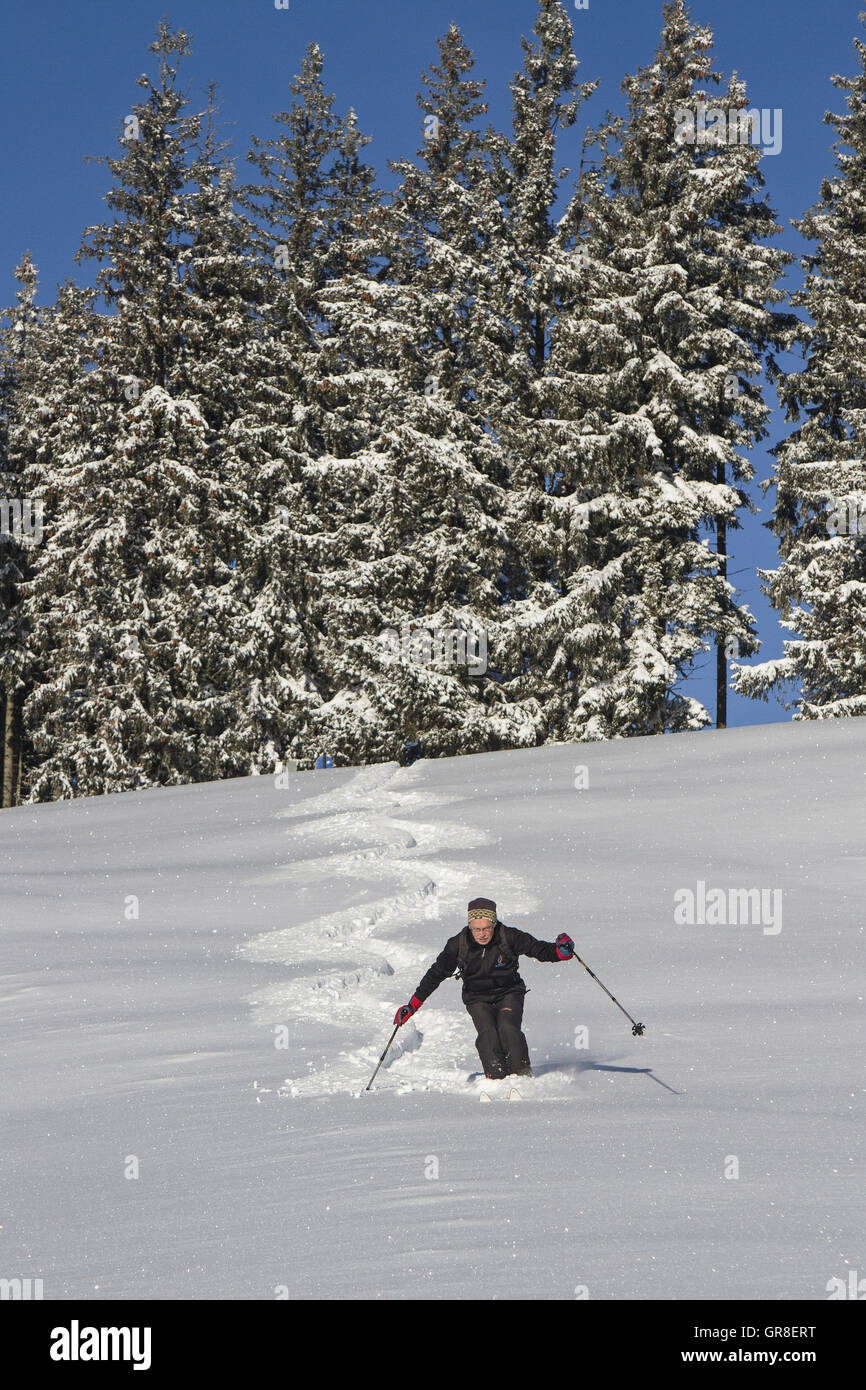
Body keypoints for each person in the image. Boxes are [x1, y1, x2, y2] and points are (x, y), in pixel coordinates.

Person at [393, 896, 575, 1080]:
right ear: (470, 926)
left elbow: (539, 949)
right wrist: (412, 1005)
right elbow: (435, 974)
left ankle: (521, 1076)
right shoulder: (458, 944)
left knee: (507, 1027)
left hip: (509, 992)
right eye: (477, 929)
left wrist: (561, 952)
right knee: (487, 1032)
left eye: (487, 928)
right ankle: (496, 1077)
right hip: (477, 998)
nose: (482, 934)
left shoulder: (508, 936)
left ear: (494, 924)